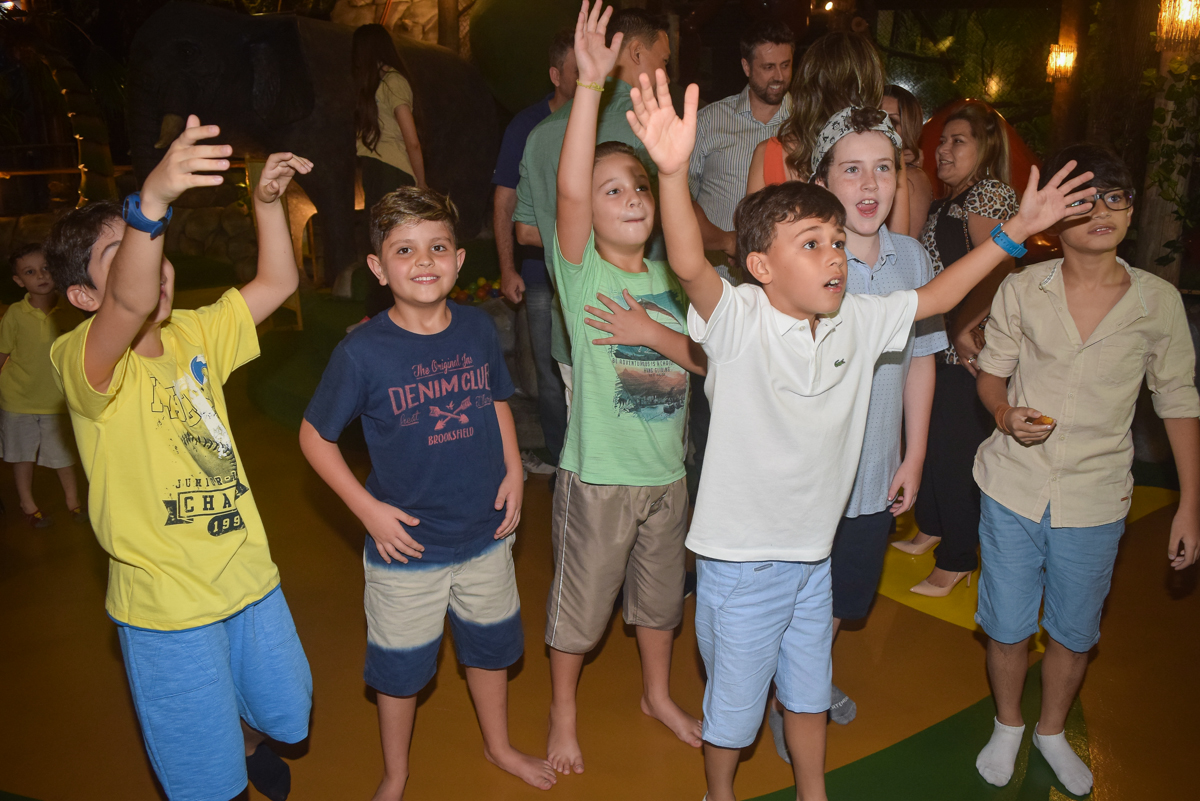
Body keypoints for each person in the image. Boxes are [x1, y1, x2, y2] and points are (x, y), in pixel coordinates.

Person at [623, 65, 1094, 801]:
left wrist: (1016, 232)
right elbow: (687, 261)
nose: (835, 254)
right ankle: (720, 792)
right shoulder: (739, 320)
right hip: (741, 566)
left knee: (809, 693)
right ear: (759, 267)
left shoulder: (859, 319)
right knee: (735, 714)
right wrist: (673, 171)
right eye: (811, 244)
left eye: (837, 241)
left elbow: (937, 292)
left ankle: (814, 791)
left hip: (811, 561)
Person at [45, 118, 313, 801]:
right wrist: (151, 202)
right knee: (206, 781)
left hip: (249, 577)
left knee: (290, 710)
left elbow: (278, 282)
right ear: (81, 297)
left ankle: (247, 738)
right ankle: (222, 757)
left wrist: (267, 204)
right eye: (128, 249)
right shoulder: (83, 361)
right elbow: (131, 299)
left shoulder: (193, 331)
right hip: (166, 609)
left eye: (156, 246)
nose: (154, 258)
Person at [299, 187, 556, 798]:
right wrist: (368, 511)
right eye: (405, 249)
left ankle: (498, 746)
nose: (424, 261)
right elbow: (315, 437)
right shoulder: (362, 352)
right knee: (400, 670)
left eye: (438, 247)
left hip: (485, 533)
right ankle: (396, 774)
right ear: (378, 267)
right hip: (406, 548)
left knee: (490, 650)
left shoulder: (474, 327)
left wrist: (515, 469)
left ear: (460, 260)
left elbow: (496, 399)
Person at [971, 143, 1200, 797]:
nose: (1103, 209)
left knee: (1074, 631)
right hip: (1013, 485)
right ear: (1054, 215)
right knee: (1009, 623)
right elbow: (992, 377)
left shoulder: (1157, 302)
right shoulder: (1022, 288)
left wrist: (1189, 502)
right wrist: (1005, 412)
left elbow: (1179, 399)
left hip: (1096, 499)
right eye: (1085, 198)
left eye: (1116, 195)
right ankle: (1009, 723)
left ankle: (1050, 729)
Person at [542, 1, 707, 776]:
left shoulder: (674, 279)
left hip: (666, 476)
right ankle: (563, 710)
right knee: (582, 609)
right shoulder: (585, 273)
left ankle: (656, 693)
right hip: (601, 479)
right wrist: (588, 89)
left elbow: (708, 362)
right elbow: (569, 193)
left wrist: (655, 333)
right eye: (616, 191)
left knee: (659, 601)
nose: (632, 198)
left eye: (639, 185)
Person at [809, 107, 946, 730]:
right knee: (796, 593)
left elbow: (920, 362)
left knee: (844, 593)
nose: (869, 186)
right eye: (852, 170)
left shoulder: (914, 261)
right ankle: (795, 695)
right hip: (808, 475)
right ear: (823, 182)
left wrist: (912, 455)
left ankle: (805, 680)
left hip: (873, 475)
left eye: (883, 169)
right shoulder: (803, 260)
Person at [891, 101, 1020, 597]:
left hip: (963, 347)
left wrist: (968, 325)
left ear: (985, 148)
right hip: (936, 342)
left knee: (954, 450)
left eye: (957, 141)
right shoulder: (952, 197)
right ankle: (935, 526)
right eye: (942, 140)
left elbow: (1001, 267)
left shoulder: (990, 194)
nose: (943, 149)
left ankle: (959, 558)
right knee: (938, 440)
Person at [513, 5, 672, 393]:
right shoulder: (649, 124)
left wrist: (572, 250)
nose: (631, 202)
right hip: (649, 320)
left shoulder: (539, 135)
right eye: (664, 61)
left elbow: (528, 231)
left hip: (572, 329)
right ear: (637, 53)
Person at [493, 28, 577, 472]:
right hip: (543, 275)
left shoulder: (605, 120)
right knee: (548, 376)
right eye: (578, 70)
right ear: (555, 74)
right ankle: (562, 460)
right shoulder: (527, 126)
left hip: (598, 272)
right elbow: (505, 201)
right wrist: (508, 268)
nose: (589, 78)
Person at [688, 19, 795, 273]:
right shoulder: (709, 121)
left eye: (786, 65)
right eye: (768, 67)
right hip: (717, 278)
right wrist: (723, 241)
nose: (779, 77)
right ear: (746, 66)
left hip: (785, 279)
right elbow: (681, 199)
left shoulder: (807, 124)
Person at [0, 243, 84, 527]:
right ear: (19, 280)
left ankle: (73, 502)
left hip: (56, 401)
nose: (41, 275)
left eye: (46, 268)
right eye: (30, 272)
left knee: (62, 454)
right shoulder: (15, 314)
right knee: (21, 454)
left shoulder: (69, 309)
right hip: (18, 399)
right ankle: (28, 503)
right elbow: (2, 352)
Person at [746, 30, 884, 190]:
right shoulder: (884, 155)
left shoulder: (769, 155)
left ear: (808, 87)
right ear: (871, 87)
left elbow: (751, 215)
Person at [354, 23, 426, 319]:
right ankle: (396, 313)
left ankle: (381, 314)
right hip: (394, 174)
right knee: (400, 245)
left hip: (375, 173)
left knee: (386, 245)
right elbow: (412, 140)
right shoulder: (393, 81)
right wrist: (422, 185)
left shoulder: (370, 87)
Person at [882, 85, 933, 239]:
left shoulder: (913, 178)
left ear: (909, 129)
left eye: (890, 121)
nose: (880, 126)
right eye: (874, 118)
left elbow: (905, 250)